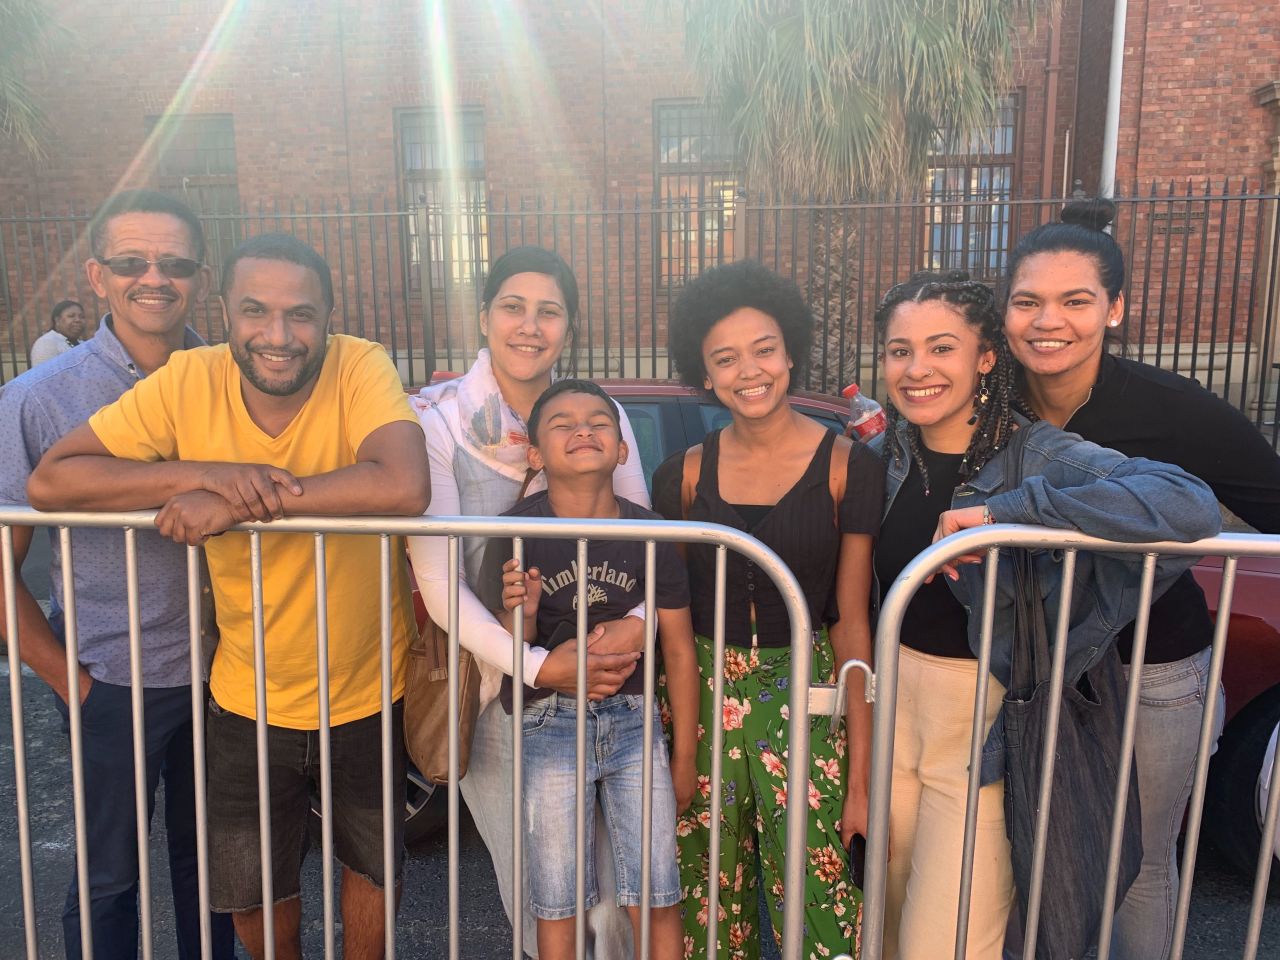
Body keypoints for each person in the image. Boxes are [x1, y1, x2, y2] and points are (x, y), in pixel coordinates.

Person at [27, 232, 429, 960]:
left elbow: (403, 483)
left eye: (301, 314)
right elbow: (54, 480)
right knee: (252, 891)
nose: (278, 335)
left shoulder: (360, 362)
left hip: (369, 687)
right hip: (247, 695)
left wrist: (239, 502)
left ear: (329, 317)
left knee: (372, 872)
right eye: (255, 312)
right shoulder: (190, 378)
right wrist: (204, 474)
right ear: (224, 312)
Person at [870, 269, 1221, 960]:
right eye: (898, 350)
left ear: (986, 357)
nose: (917, 370)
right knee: (878, 928)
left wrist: (1006, 515)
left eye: (941, 348)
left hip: (982, 731)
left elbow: (1188, 503)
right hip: (889, 718)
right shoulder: (883, 457)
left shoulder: (1037, 452)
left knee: (944, 944)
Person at [1003, 198, 1280, 960]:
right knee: (1032, 865)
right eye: (1027, 301)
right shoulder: (991, 406)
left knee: (1141, 868)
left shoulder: (1175, 409)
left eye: (1075, 300)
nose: (1047, 320)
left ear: (1114, 308)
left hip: (1156, 674)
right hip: (1034, 677)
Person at [0, 189, 234, 960]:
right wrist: (67, 679)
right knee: (109, 880)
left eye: (175, 262)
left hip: (229, 676)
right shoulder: (36, 399)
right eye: (132, 262)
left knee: (219, 877)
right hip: (113, 678)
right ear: (98, 276)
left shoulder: (234, 381)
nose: (155, 278)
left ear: (200, 277)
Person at [406, 245, 653, 958]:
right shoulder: (441, 422)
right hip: (500, 693)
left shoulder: (600, 417)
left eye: (549, 311)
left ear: (567, 328)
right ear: (485, 316)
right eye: (513, 307)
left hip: (610, 686)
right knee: (542, 897)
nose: (529, 325)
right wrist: (541, 666)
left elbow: (648, 543)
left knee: (618, 898)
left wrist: (623, 639)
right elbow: (440, 585)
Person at [652, 259, 883, 959]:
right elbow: (676, 628)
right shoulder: (684, 474)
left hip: (808, 697)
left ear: (791, 354)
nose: (748, 371)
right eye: (725, 358)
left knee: (820, 905)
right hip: (703, 698)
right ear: (705, 372)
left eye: (763, 349)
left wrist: (863, 781)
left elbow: (850, 618)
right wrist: (683, 750)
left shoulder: (849, 466)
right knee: (704, 907)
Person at [474, 378, 699, 960]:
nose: (583, 430)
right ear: (535, 454)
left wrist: (685, 756)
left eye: (600, 422)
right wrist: (519, 609)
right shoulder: (514, 531)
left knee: (655, 891)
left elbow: (677, 648)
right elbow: (514, 647)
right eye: (563, 423)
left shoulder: (653, 532)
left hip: (634, 724)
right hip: (547, 725)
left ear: (623, 449)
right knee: (557, 898)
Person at [30, 299, 89, 366]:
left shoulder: (82, 344)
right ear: (57, 320)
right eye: (71, 316)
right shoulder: (47, 343)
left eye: (82, 317)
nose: (78, 320)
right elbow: (45, 374)